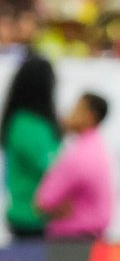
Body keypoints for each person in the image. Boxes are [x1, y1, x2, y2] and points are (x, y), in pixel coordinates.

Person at [35, 92, 114, 240]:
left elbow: (43, 201)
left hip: (71, 242)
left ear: (90, 116)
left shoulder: (78, 156)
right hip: (90, 238)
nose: (69, 113)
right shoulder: (97, 149)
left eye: (76, 108)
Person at [2, 53, 61, 240]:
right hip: (30, 215)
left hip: (35, 213)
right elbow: (50, 167)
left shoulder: (25, 122)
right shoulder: (28, 125)